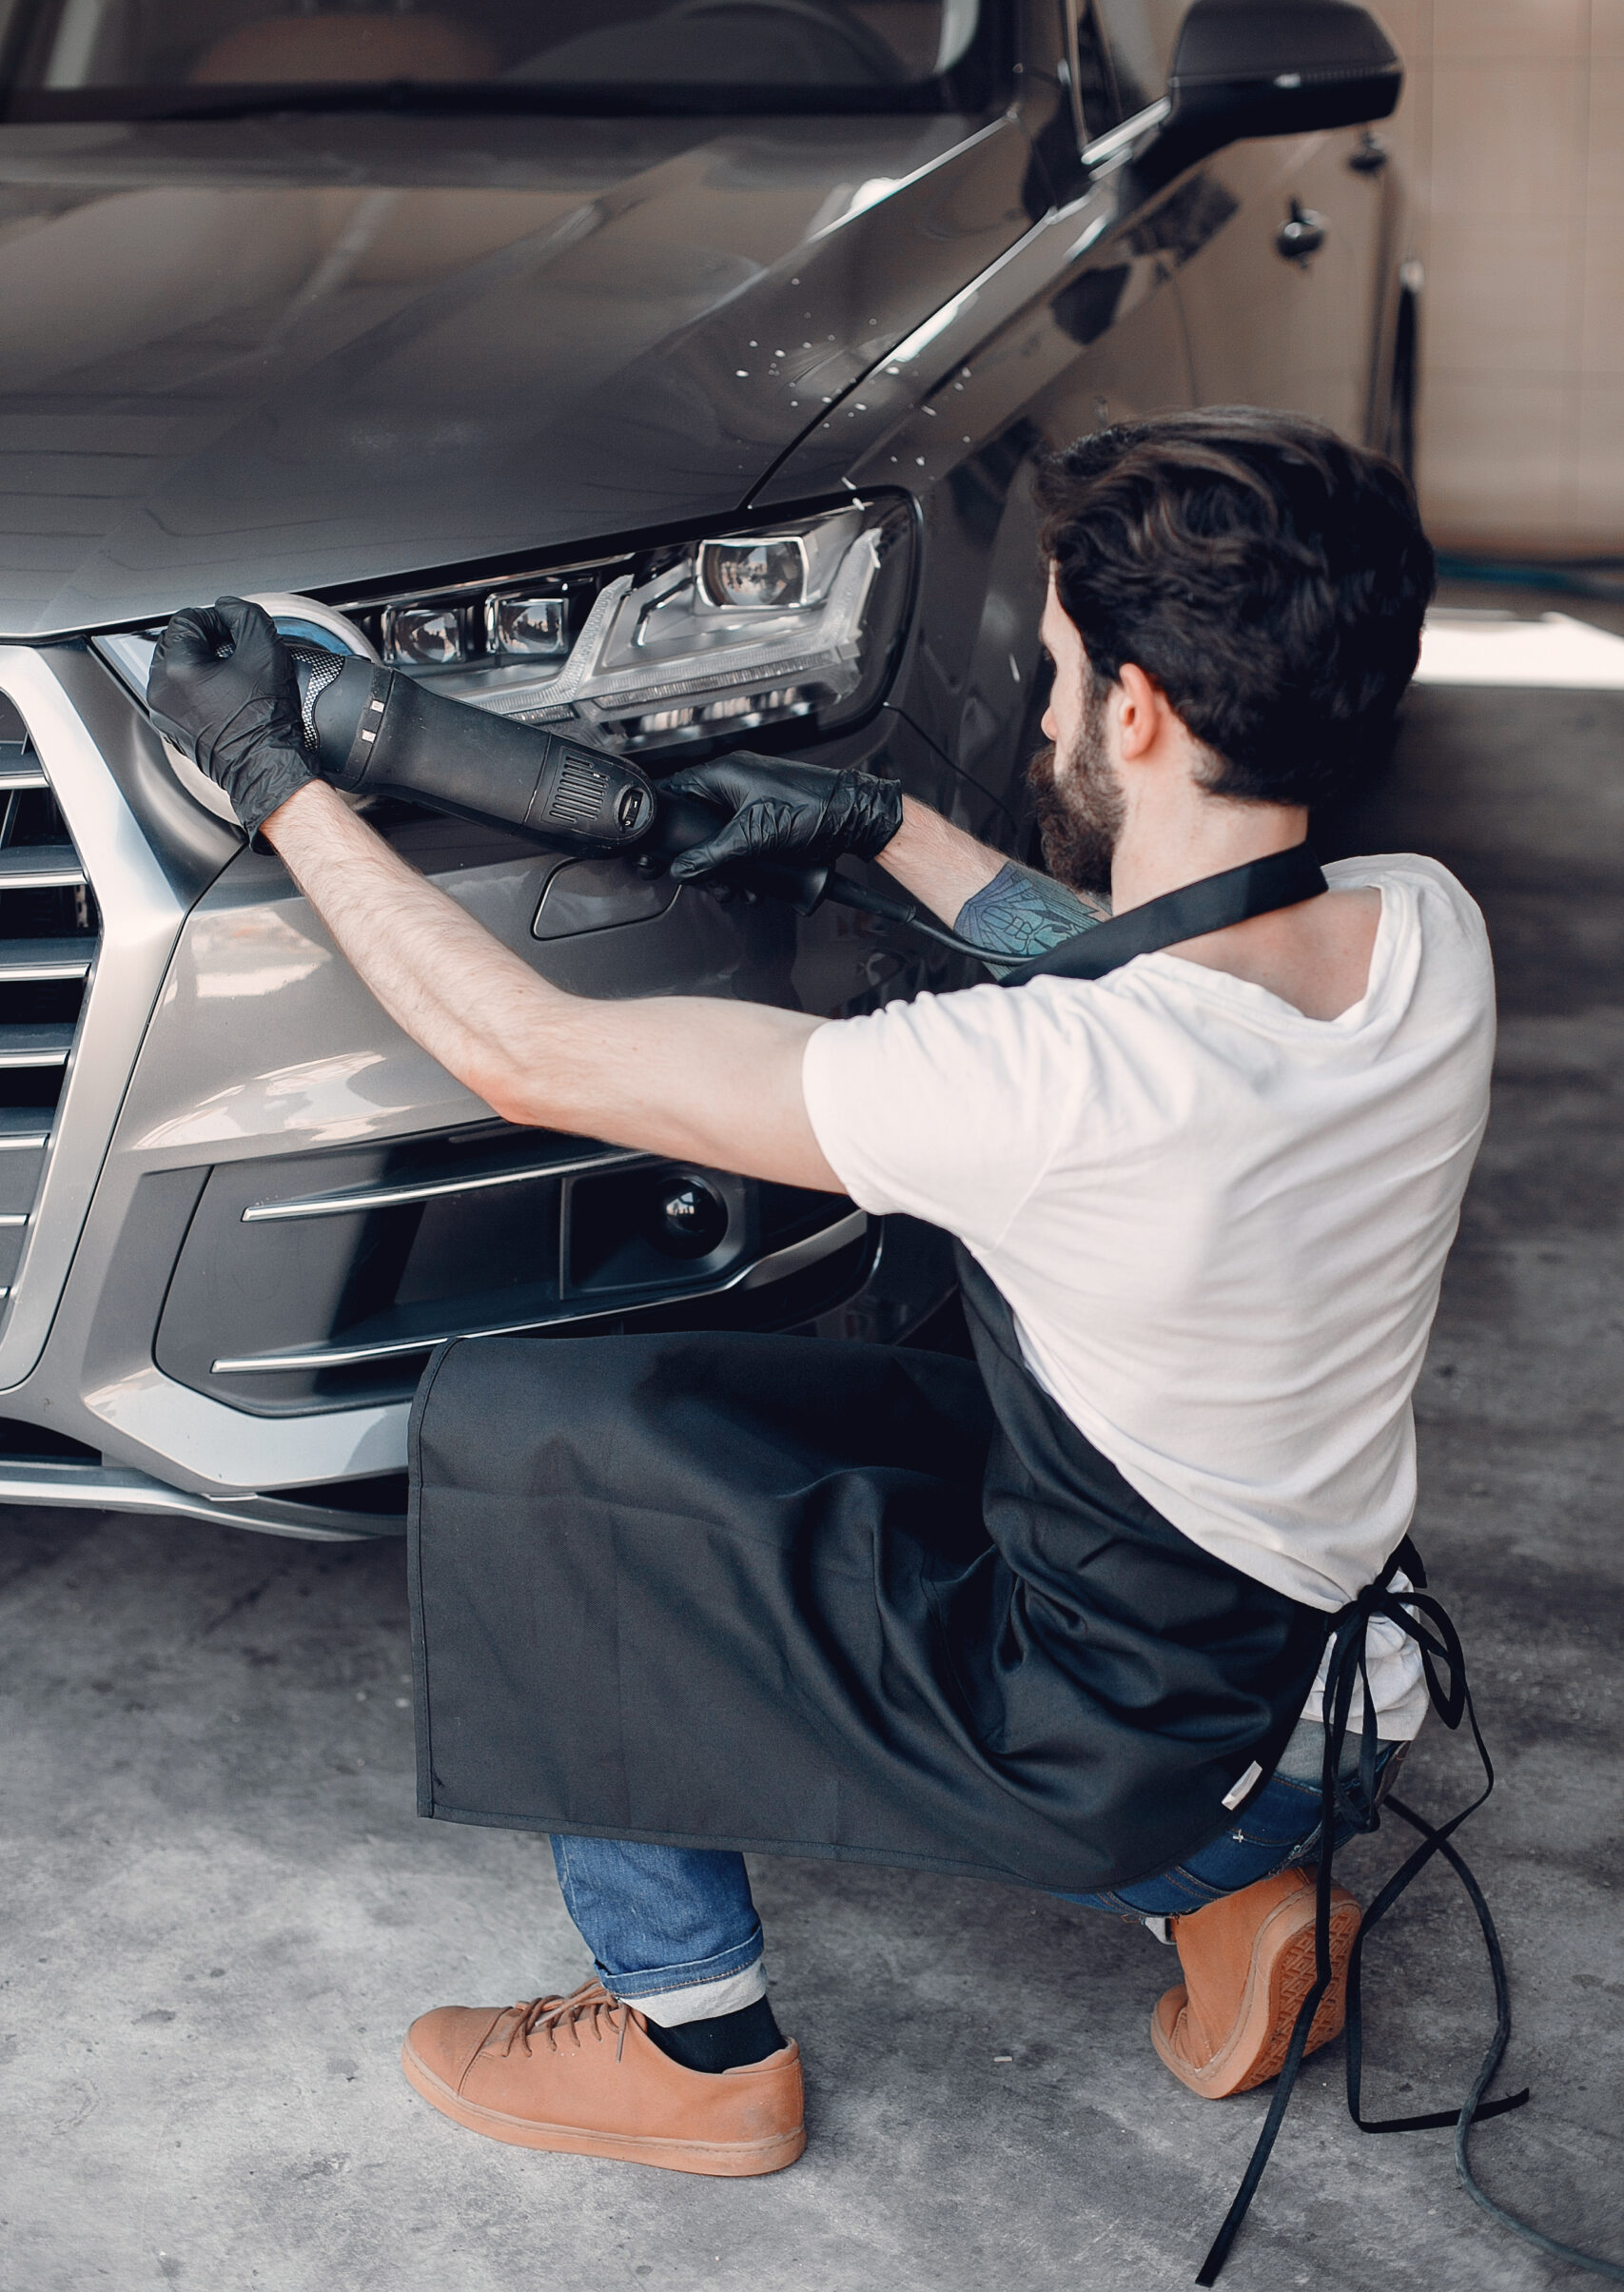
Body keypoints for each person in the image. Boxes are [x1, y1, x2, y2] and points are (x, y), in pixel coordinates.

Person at [147, 409, 1490, 2188]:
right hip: (1329, 1710)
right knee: (817, 1409)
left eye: (1064, 670)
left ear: (1143, 715)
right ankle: (1248, 1890)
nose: (1041, 705)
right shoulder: (1420, 931)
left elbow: (525, 1052)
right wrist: (888, 827)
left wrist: (277, 784)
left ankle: (688, 2046)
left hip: (1116, 1761)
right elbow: (1142, 957)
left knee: (529, 1447)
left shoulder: (1050, 1087)